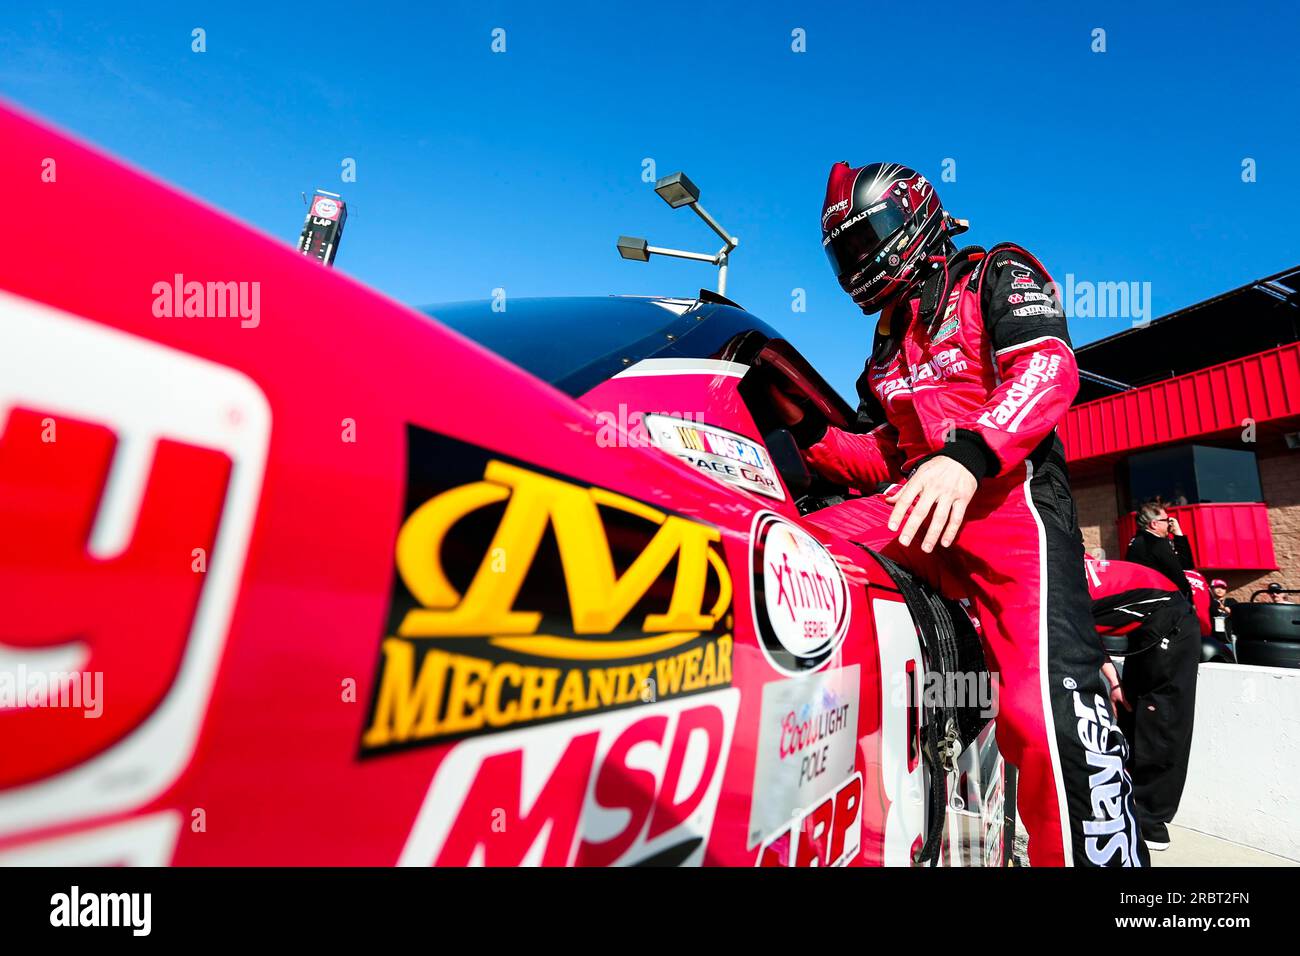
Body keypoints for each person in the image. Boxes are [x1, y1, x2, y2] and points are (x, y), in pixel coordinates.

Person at [777, 161, 1147, 866]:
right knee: (785, 552)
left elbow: (1048, 369)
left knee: (1044, 719)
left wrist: (971, 454)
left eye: (866, 240)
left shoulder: (996, 273)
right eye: (843, 253)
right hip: (918, 508)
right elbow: (882, 454)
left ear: (914, 218)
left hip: (1013, 508)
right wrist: (803, 433)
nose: (857, 262)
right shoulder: (885, 342)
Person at [1085, 557, 1200, 851]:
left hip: (1170, 617)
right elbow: (1085, 634)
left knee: (1159, 718)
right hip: (1145, 623)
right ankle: (1125, 801)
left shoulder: (1057, 579)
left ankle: (1151, 820)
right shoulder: (1060, 572)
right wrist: (1114, 683)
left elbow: (1077, 636)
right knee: (1130, 711)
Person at [1125, 501, 1195, 602]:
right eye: (1166, 520)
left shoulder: (1136, 541)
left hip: (1146, 602)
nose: (1170, 523)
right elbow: (1182, 570)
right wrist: (1190, 601)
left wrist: (1178, 534)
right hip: (1164, 604)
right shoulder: (1156, 543)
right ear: (1154, 524)